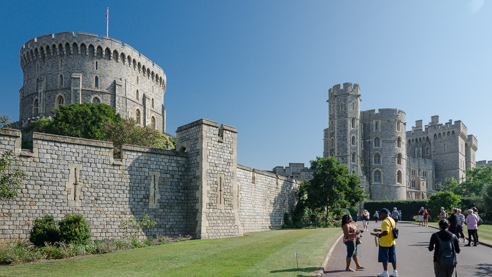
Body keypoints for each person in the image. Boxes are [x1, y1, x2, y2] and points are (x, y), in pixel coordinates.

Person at [374, 208, 398, 277]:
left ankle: (385, 272)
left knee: (384, 258)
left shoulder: (384, 221)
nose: (380, 215)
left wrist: (378, 234)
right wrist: (378, 230)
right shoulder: (391, 219)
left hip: (385, 243)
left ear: (384, 214)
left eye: (381, 214)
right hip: (392, 242)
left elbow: (386, 232)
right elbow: (389, 230)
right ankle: (395, 272)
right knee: (393, 258)